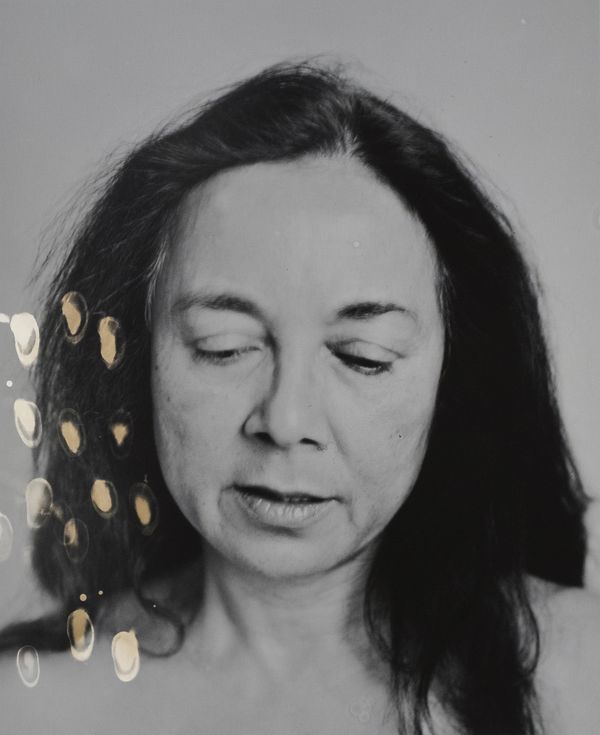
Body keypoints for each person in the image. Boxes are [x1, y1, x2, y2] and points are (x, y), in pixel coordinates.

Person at [0, 59, 599, 735]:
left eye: (362, 356)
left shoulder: (582, 678)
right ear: (135, 358)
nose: (286, 421)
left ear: (452, 376)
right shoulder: (30, 703)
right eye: (224, 346)